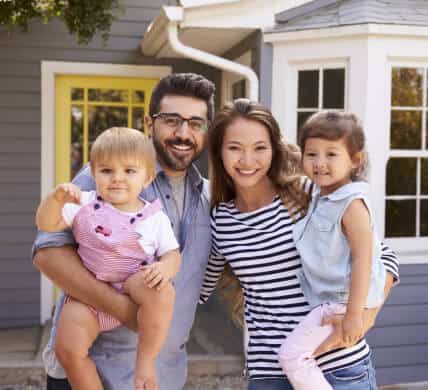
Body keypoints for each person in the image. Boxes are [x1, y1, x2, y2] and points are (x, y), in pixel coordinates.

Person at [200, 99, 399, 390]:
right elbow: (195, 288)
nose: (246, 161)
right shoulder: (220, 220)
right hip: (269, 374)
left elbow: (380, 254)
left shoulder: (308, 195)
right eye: (234, 148)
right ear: (219, 152)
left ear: (274, 149)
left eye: (259, 147)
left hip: (338, 367)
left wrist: (363, 316)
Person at [32, 73, 215, 390]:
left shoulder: (210, 198)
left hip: (161, 377)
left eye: (195, 123)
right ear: (149, 122)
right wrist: (128, 311)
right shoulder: (107, 175)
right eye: (172, 120)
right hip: (93, 369)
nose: (183, 133)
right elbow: (47, 253)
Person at [35, 127, 180, 390]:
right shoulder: (84, 203)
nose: (117, 179)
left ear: (147, 178)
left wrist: (165, 268)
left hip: (131, 285)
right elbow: (46, 224)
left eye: (129, 171)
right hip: (88, 297)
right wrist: (55, 200)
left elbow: (172, 253)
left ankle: (146, 363)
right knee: (67, 350)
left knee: (163, 292)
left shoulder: (154, 217)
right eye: (107, 170)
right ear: (93, 173)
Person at [277, 111, 387, 390]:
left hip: (341, 302)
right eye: (312, 154)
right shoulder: (320, 196)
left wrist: (353, 314)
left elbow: (365, 258)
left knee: (291, 356)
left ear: (355, 160)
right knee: (302, 356)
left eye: (331, 154)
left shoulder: (351, 203)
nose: (320, 163)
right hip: (329, 301)